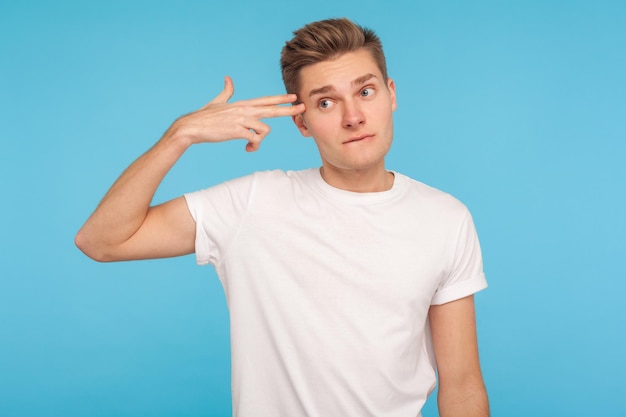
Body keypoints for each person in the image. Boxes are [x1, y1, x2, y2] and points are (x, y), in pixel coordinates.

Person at [76, 17, 489, 417]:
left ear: (391, 93)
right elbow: (101, 241)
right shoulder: (252, 204)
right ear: (302, 122)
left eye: (365, 92)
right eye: (326, 102)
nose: (353, 117)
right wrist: (179, 135)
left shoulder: (445, 218)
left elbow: (462, 381)